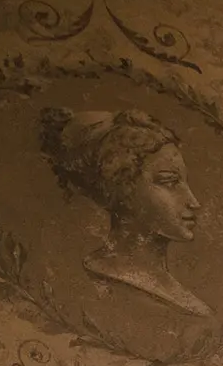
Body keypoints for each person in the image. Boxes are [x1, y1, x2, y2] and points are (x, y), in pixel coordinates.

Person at [39, 104, 210, 318]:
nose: (194, 202)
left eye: (185, 182)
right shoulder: (107, 284)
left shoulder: (175, 292)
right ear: (121, 189)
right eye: (169, 181)